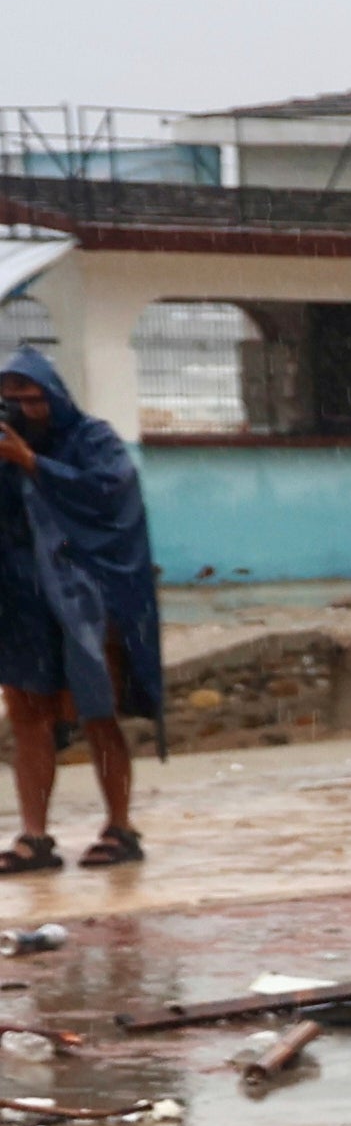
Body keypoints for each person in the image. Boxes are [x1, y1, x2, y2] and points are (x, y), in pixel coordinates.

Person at [0, 347, 158, 872]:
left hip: (85, 598)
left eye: (33, 398)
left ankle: (119, 825)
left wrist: (35, 465)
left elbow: (110, 496)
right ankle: (35, 837)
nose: (24, 409)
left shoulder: (92, 440)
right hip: (23, 598)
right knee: (27, 715)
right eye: (12, 399)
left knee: (98, 709)